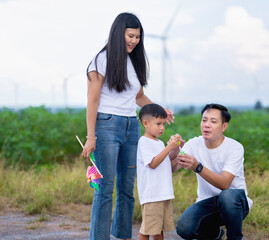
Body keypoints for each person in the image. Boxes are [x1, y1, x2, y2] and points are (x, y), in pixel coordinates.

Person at [81, 13, 174, 240]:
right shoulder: (100, 61)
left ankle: (122, 236)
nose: (134, 41)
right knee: (104, 189)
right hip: (107, 126)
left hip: (131, 126)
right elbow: (92, 101)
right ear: (118, 33)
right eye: (130, 36)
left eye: (137, 37)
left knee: (127, 189)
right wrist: (91, 136)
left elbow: (139, 97)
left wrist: (159, 110)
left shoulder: (134, 61)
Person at [175, 103, 253, 240]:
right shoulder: (194, 144)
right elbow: (173, 167)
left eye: (213, 121)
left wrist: (198, 167)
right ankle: (216, 234)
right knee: (183, 228)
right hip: (208, 203)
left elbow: (225, 184)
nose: (206, 124)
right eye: (204, 120)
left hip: (235, 203)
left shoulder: (235, 147)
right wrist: (173, 149)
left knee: (227, 196)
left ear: (224, 126)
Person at [137, 103, 184, 240]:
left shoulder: (159, 143)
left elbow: (166, 162)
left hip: (163, 193)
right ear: (145, 123)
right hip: (152, 194)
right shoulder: (144, 141)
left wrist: (175, 149)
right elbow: (152, 163)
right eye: (158, 124)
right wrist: (169, 147)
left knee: (159, 230)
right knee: (147, 229)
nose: (162, 127)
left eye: (164, 124)